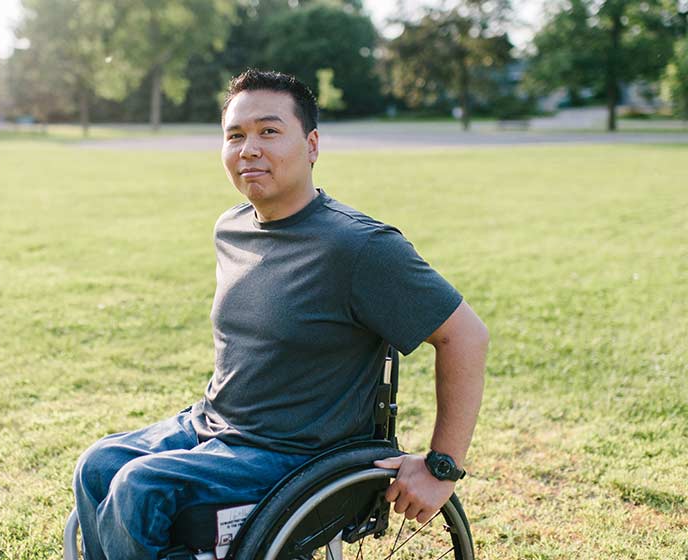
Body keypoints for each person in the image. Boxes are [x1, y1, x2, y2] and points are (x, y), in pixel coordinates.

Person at [73, 69, 489, 560]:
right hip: (215, 424)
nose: (249, 149)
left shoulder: (358, 247)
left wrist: (442, 466)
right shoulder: (231, 227)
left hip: (296, 455)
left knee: (140, 490)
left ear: (311, 145)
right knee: (97, 464)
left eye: (269, 131)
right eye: (235, 135)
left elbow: (466, 335)